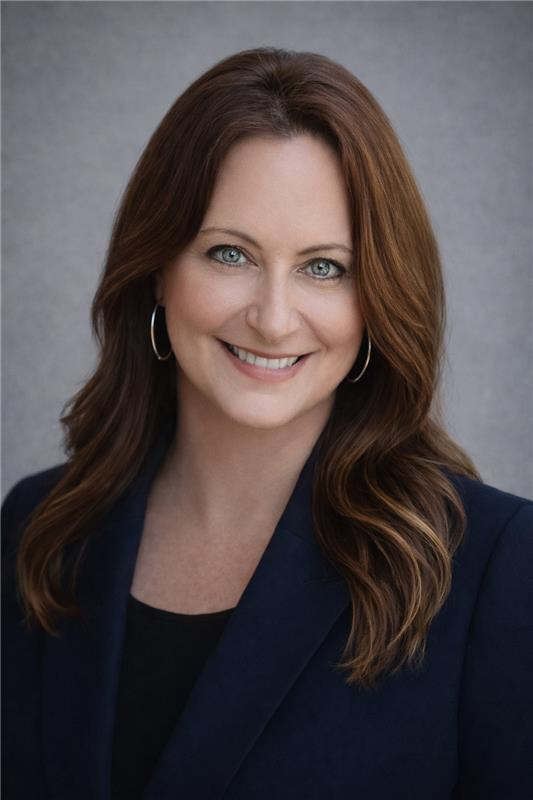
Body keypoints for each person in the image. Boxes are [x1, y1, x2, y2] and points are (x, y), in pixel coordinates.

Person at [2, 46, 532, 800]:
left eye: (324, 267)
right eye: (229, 254)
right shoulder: (40, 529)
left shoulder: (495, 565)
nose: (274, 318)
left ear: (377, 298)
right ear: (157, 269)